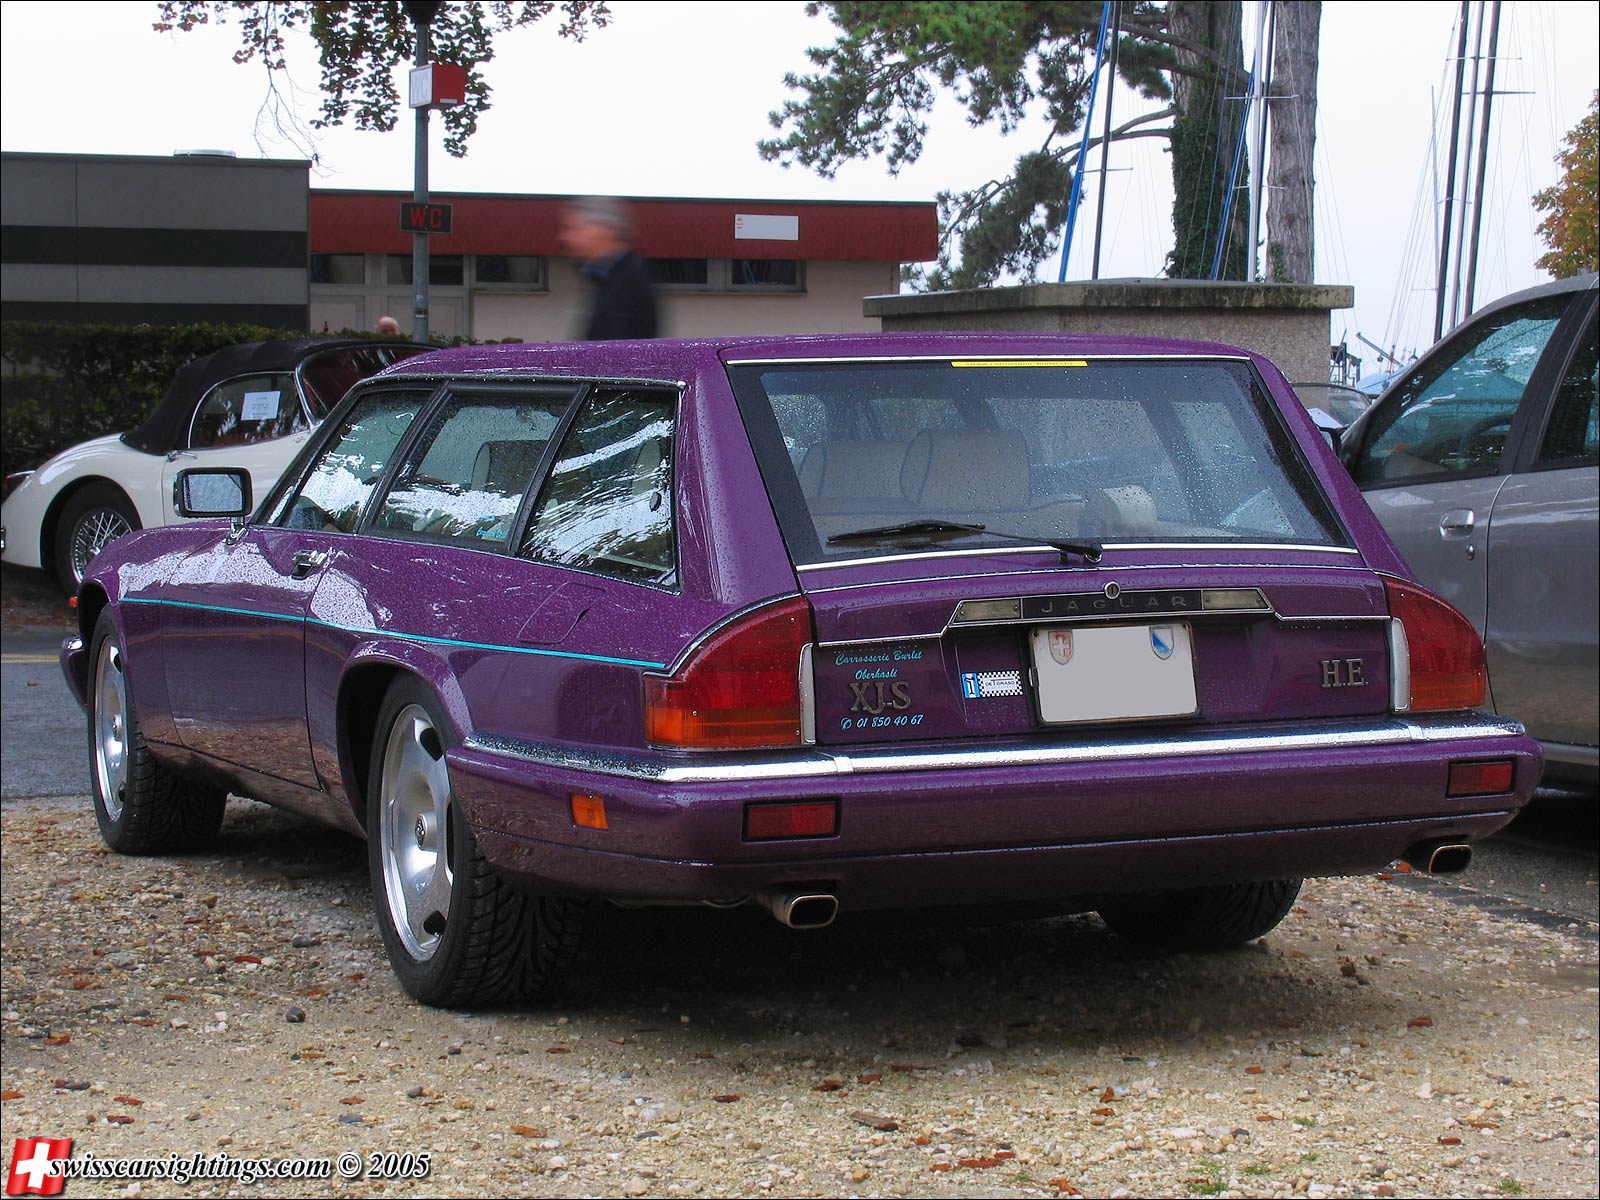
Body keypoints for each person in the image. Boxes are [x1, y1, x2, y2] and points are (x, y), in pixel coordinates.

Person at [559, 197, 659, 340]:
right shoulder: (609, 278)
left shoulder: (627, 285)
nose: (563, 238)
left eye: (573, 228)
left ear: (601, 229)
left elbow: (612, 357)